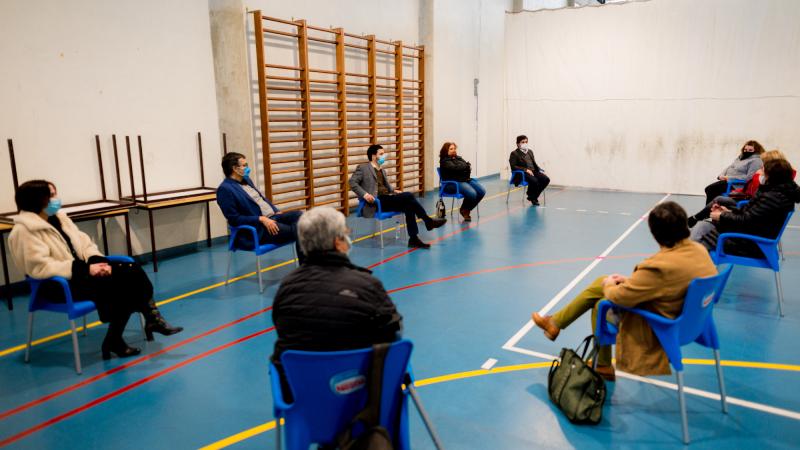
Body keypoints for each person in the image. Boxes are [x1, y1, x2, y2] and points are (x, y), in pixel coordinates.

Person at [532, 202, 716, 381]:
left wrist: (609, 285)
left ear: (655, 234)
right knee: (602, 282)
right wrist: (627, 281)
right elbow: (671, 282)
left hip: (660, 324)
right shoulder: (699, 250)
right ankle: (555, 323)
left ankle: (598, 360)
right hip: (693, 320)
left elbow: (620, 298)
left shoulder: (659, 266)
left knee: (601, 303)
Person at [8, 180, 182, 359]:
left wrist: (97, 261)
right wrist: (85, 270)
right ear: (37, 200)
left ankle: (144, 323)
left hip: (81, 276)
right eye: (51, 195)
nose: (56, 199)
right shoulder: (24, 231)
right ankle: (141, 325)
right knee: (123, 287)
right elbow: (39, 267)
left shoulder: (59, 219)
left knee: (132, 270)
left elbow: (85, 244)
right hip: (57, 286)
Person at [271, 206, 403, 399]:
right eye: (346, 234)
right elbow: (393, 333)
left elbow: (283, 332)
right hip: (363, 400)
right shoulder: (368, 285)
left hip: (304, 401)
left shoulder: (286, 289)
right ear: (338, 243)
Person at [691, 157, 800, 257]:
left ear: (771, 175)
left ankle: (686, 264)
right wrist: (727, 211)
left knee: (701, 232)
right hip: (749, 237)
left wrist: (722, 216)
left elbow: (746, 221)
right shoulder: (776, 193)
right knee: (703, 227)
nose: (758, 173)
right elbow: (751, 215)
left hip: (751, 245)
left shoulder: (772, 197)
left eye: (762, 170)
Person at [349, 144, 446, 249]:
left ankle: (414, 239)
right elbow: (352, 182)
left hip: (386, 199)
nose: (383, 156)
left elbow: (386, 187)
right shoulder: (363, 168)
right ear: (373, 156)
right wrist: (365, 194)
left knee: (409, 205)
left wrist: (394, 191)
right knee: (408, 196)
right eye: (381, 154)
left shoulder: (382, 170)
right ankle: (428, 221)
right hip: (376, 202)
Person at [216, 152, 303, 261]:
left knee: (300, 215)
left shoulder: (247, 180)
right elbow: (234, 219)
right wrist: (260, 219)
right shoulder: (225, 189)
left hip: (273, 217)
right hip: (259, 229)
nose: (247, 168)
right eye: (244, 165)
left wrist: (276, 210)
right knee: (302, 231)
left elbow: (261, 199)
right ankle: (307, 267)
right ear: (235, 168)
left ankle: (307, 267)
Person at [688, 149, 792, 227]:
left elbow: (750, 218)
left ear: (772, 167)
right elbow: (754, 210)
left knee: (703, 227)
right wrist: (739, 196)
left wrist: (723, 215)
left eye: (764, 164)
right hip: (747, 205)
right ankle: (698, 218)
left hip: (747, 234)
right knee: (717, 200)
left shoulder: (771, 194)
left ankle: (697, 219)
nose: (761, 167)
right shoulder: (774, 189)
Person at [702, 140, 764, 205]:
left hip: (736, 185)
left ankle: (709, 212)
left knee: (711, 189)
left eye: (750, 150)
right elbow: (730, 167)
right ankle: (712, 211)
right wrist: (721, 175)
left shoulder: (756, 161)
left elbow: (749, 177)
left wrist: (728, 177)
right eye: (745, 149)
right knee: (708, 189)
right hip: (727, 181)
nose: (747, 151)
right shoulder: (740, 157)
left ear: (756, 151)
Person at [439, 142, 486, 222]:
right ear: (445, 151)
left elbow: (466, 166)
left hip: (464, 180)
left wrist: (464, 167)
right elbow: (456, 168)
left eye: (454, 148)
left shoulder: (458, 158)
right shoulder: (444, 161)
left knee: (481, 191)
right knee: (472, 193)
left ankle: (465, 209)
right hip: (451, 184)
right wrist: (464, 166)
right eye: (451, 149)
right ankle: (465, 210)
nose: (453, 150)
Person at [509, 135, 550, 206]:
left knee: (546, 179)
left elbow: (534, 163)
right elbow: (513, 166)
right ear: (518, 143)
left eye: (526, 142)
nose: (525, 143)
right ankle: (533, 198)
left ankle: (532, 196)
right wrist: (526, 170)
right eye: (523, 142)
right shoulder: (514, 153)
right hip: (522, 173)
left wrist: (539, 170)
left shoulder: (530, 151)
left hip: (533, 171)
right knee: (535, 181)